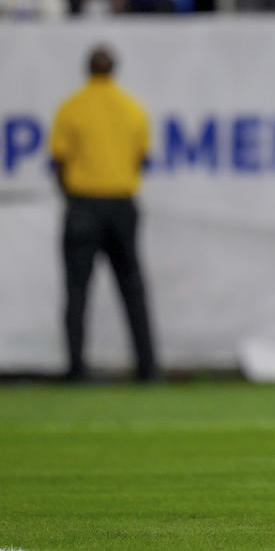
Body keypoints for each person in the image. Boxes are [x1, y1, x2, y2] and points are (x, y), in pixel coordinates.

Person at [49, 46, 157, 382]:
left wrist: (72, 195)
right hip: (122, 205)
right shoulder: (132, 107)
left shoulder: (72, 107)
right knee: (133, 288)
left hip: (83, 204)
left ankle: (76, 369)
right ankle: (147, 369)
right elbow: (143, 157)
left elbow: (58, 160)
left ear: (87, 69)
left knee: (77, 290)